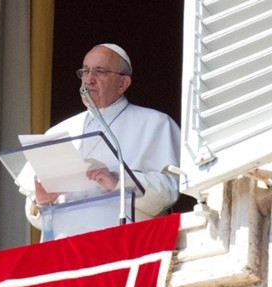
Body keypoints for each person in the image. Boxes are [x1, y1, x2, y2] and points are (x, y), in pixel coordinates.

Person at [20, 43, 180, 241]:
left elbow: (169, 190)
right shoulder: (59, 131)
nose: (89, 79)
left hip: (125, 244)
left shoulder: (155, 123)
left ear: (122, 84)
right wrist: (41, 201)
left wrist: (118, 181)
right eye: (85, 71)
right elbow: (36, 215)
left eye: (100, 72)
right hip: (65, 247)